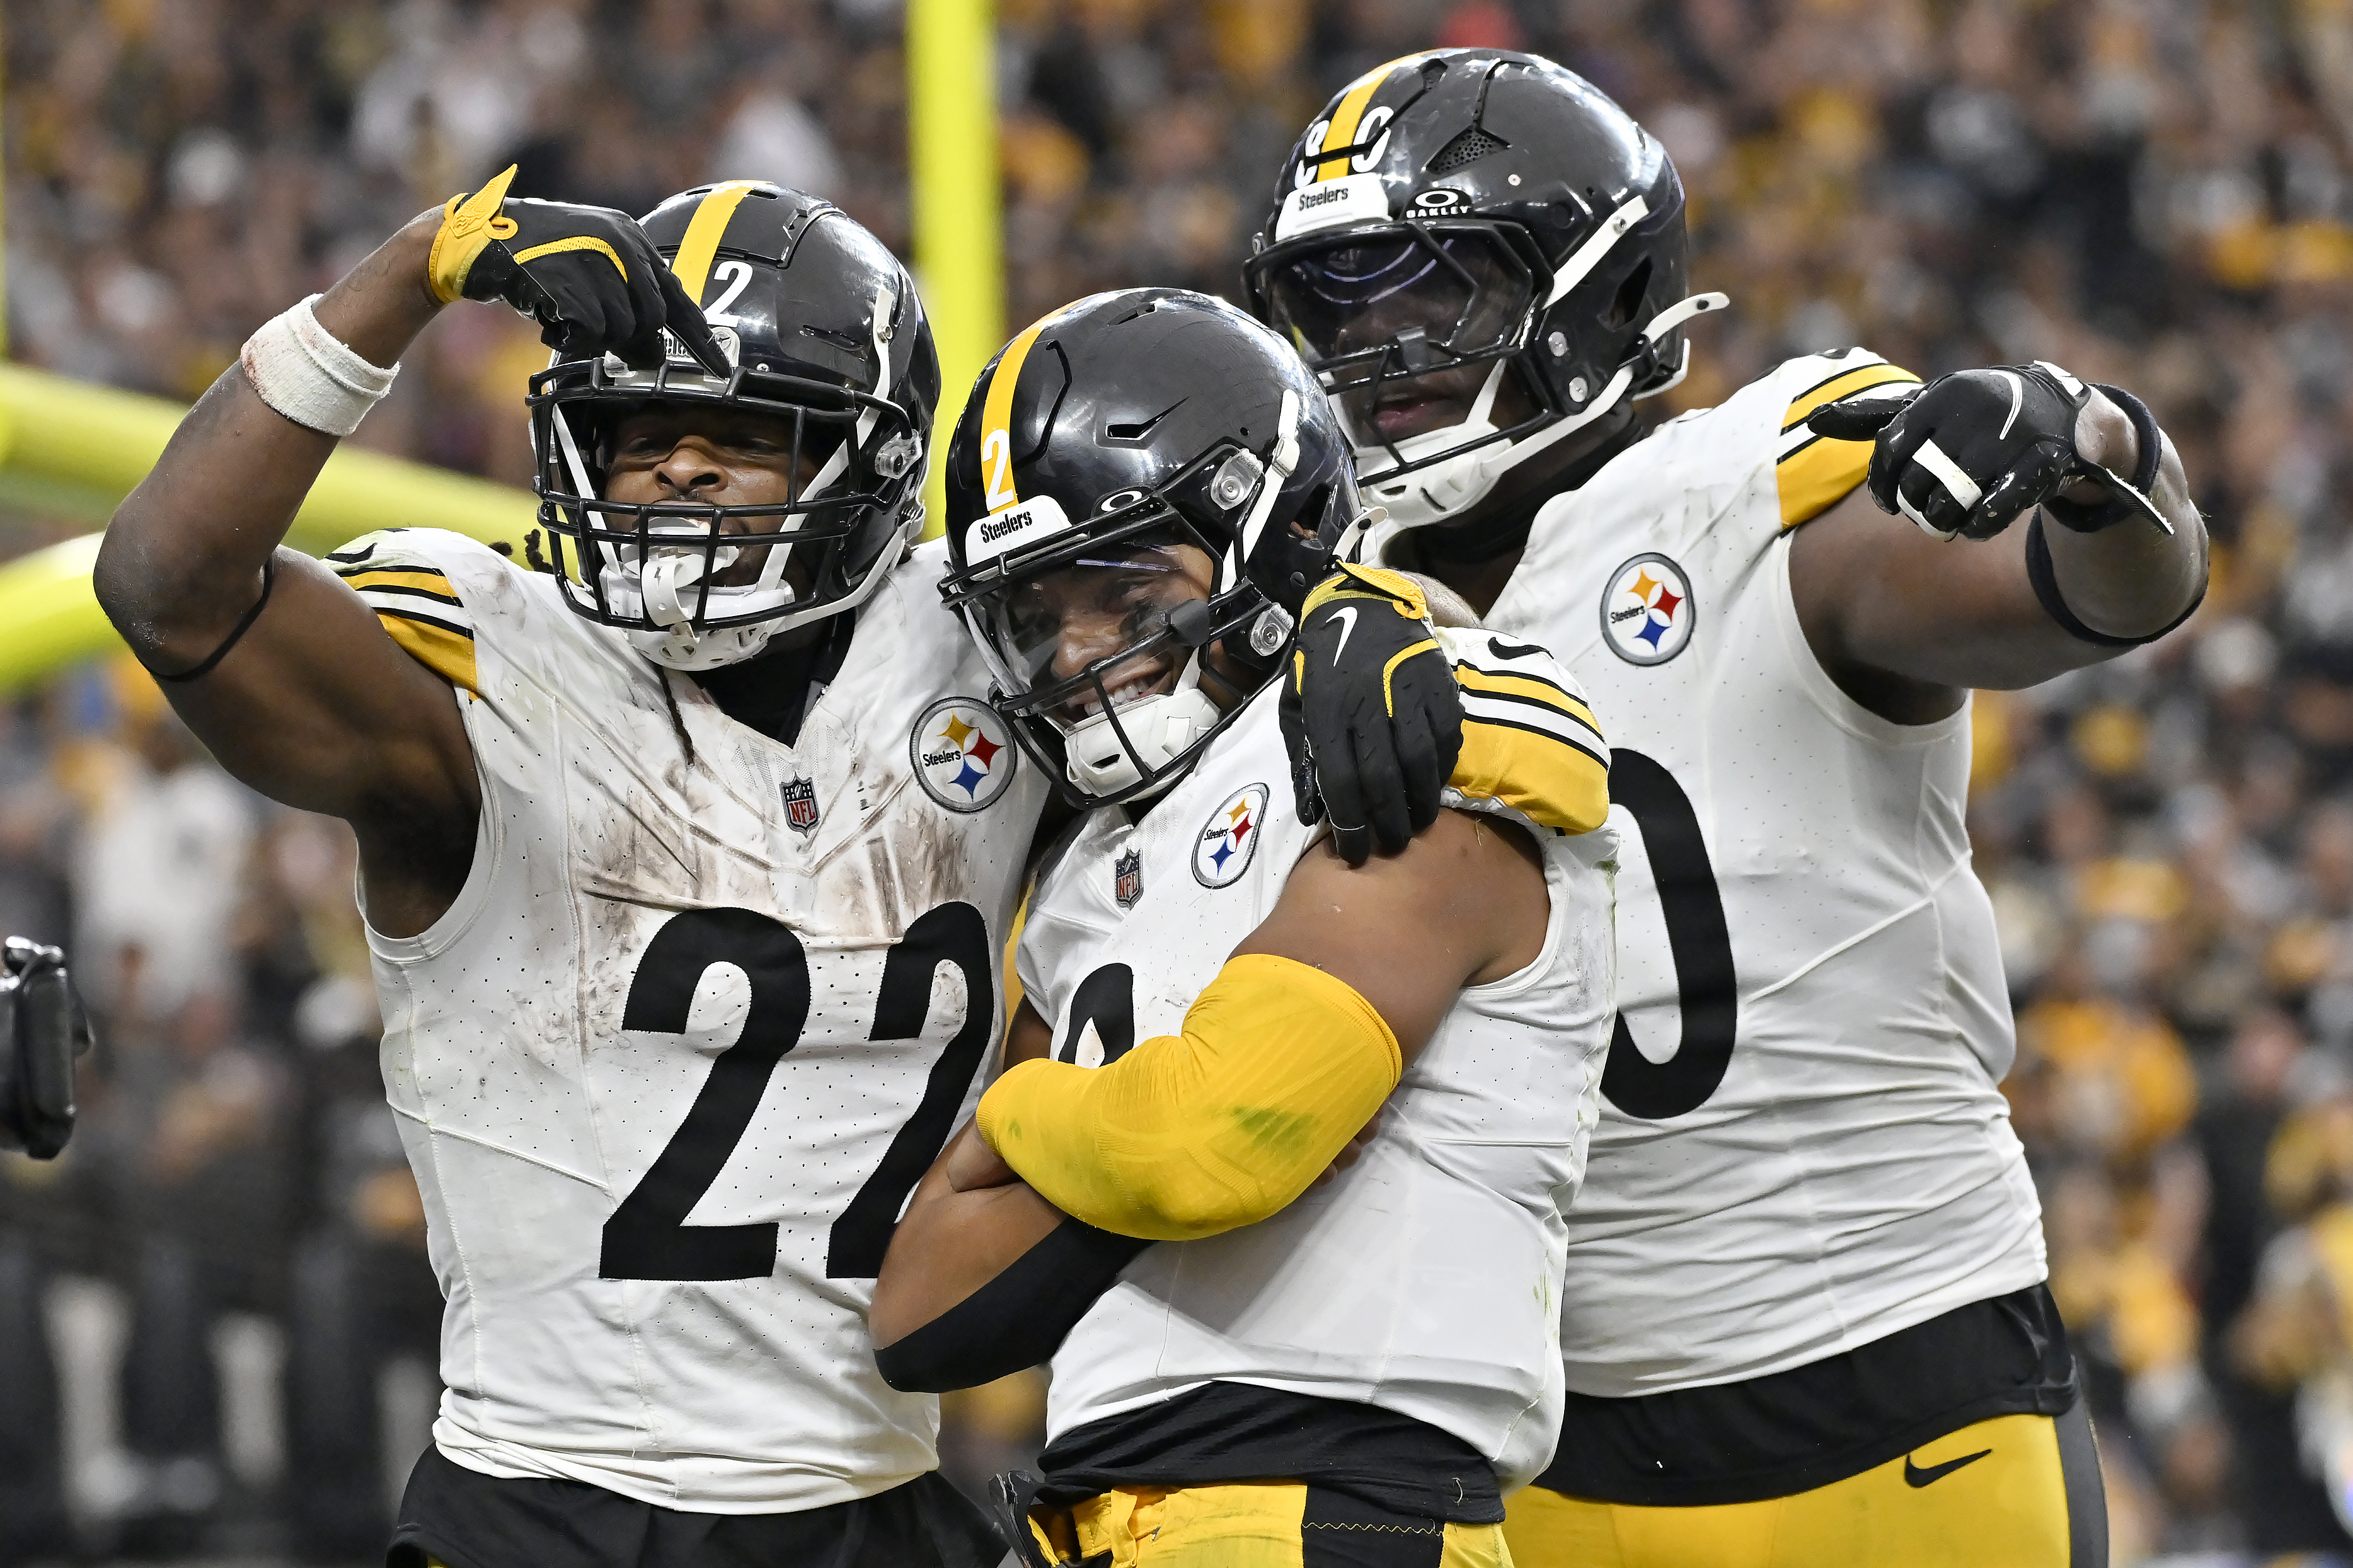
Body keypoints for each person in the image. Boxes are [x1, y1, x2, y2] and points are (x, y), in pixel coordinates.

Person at [91, 173, 1483, 1566]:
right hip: (541, 1493)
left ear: (869, 462)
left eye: (745, 432)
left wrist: (1366, 600)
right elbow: (170, 588)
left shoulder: (985, 648)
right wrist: (394, 285)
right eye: (634, 433)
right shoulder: (491, 662)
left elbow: (1214, 587)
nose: (676, 470)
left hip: (874, 1493)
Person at [1254, 50, 2205, 1567]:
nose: (1374, 349)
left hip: (1893, 1406)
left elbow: (2096, 596)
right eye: (1339, 301)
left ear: (1593, 292)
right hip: (1545, 1449)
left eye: (1429, 292)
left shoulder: (1753, 500)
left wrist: (2095, 462)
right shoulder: (1317, 601)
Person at [865, 288, 1618, 1567]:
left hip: (1333, 1501)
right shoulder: (1091, 864)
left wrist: (1018, 1123)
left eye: (1125, 590)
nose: (1076, 653)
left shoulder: (1407, 721)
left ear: (1275, 539)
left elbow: (1214, 1145)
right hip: (1090, 1519)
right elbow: (922, 1315)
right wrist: (1135, 1128)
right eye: (1037, 615)